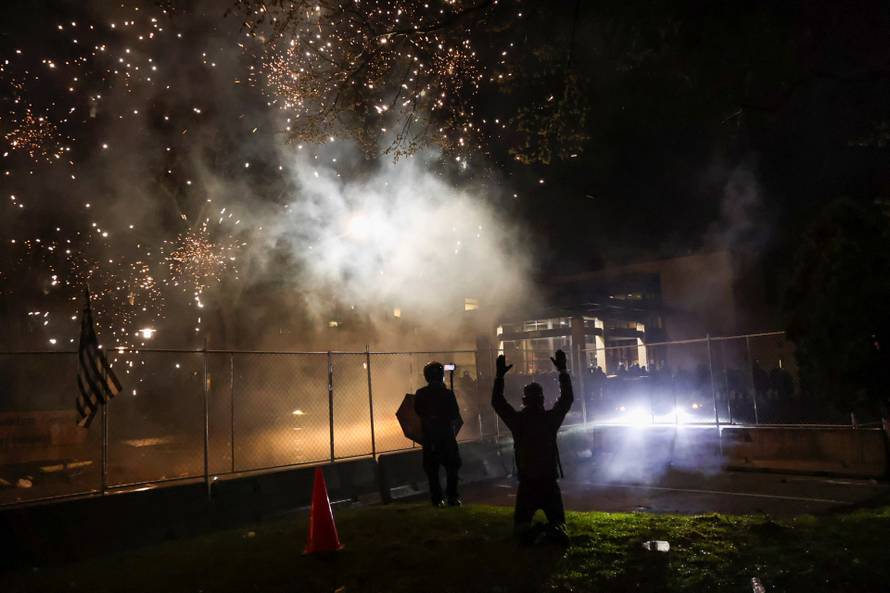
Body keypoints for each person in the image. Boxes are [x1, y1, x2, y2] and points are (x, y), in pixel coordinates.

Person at [491, 349, 573, 545]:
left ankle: (537, 534)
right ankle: (548, 533)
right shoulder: (549, 420)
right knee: (558, 526)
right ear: (542, 400)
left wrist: (499, 377)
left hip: (528, 482)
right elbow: (566, 399)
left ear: (524, 401)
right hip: (548, 481)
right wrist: (563, 371)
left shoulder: (519, 421)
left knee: (521, 531)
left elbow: (497, 402)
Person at [414, 361, 463, 507]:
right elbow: (455, 415)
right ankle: (452, 497)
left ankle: (437, 499)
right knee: (452, 466)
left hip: (429, 437)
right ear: (441, 376)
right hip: (446, 436)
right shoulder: (447, 393)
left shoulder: (421, 393)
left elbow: (419, 412)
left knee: (432, 470)